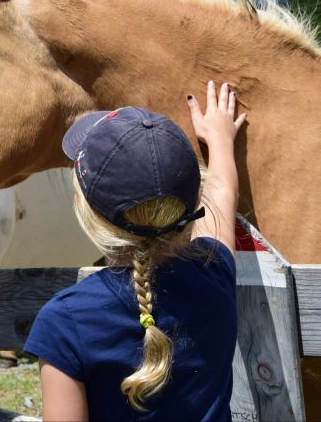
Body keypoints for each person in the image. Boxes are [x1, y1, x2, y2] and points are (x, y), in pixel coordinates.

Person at [24, 81, 246, 420]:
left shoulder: (63, 323)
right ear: (192, 206)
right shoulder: (213, 277)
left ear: (86, 211)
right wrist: (219, 139)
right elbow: (221, 193)